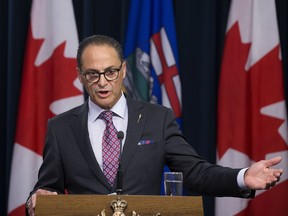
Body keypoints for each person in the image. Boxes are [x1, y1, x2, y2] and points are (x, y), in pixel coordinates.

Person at [26, 35, 283, 215]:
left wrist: (242, 177)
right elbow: (49, 187)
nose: (102, 82)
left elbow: (194, 173)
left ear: (124, 70)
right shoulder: (60, 128)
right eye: (93, 74)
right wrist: (39, 197)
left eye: (110, 72)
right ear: (80, 76)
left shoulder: (157, 119)